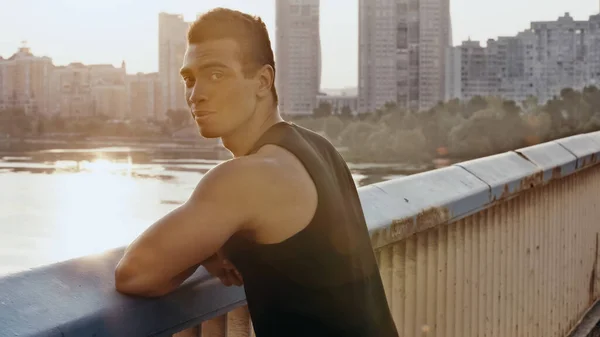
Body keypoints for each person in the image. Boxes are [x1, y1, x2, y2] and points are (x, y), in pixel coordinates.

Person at [114, 8, 398, 337]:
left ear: (263, 82)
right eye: (190, 79)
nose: (196, 94)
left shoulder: (246, 178)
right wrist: (219, 242)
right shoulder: (319, 149)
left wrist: (205, 246)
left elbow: (134, 274)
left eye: (216, 74)